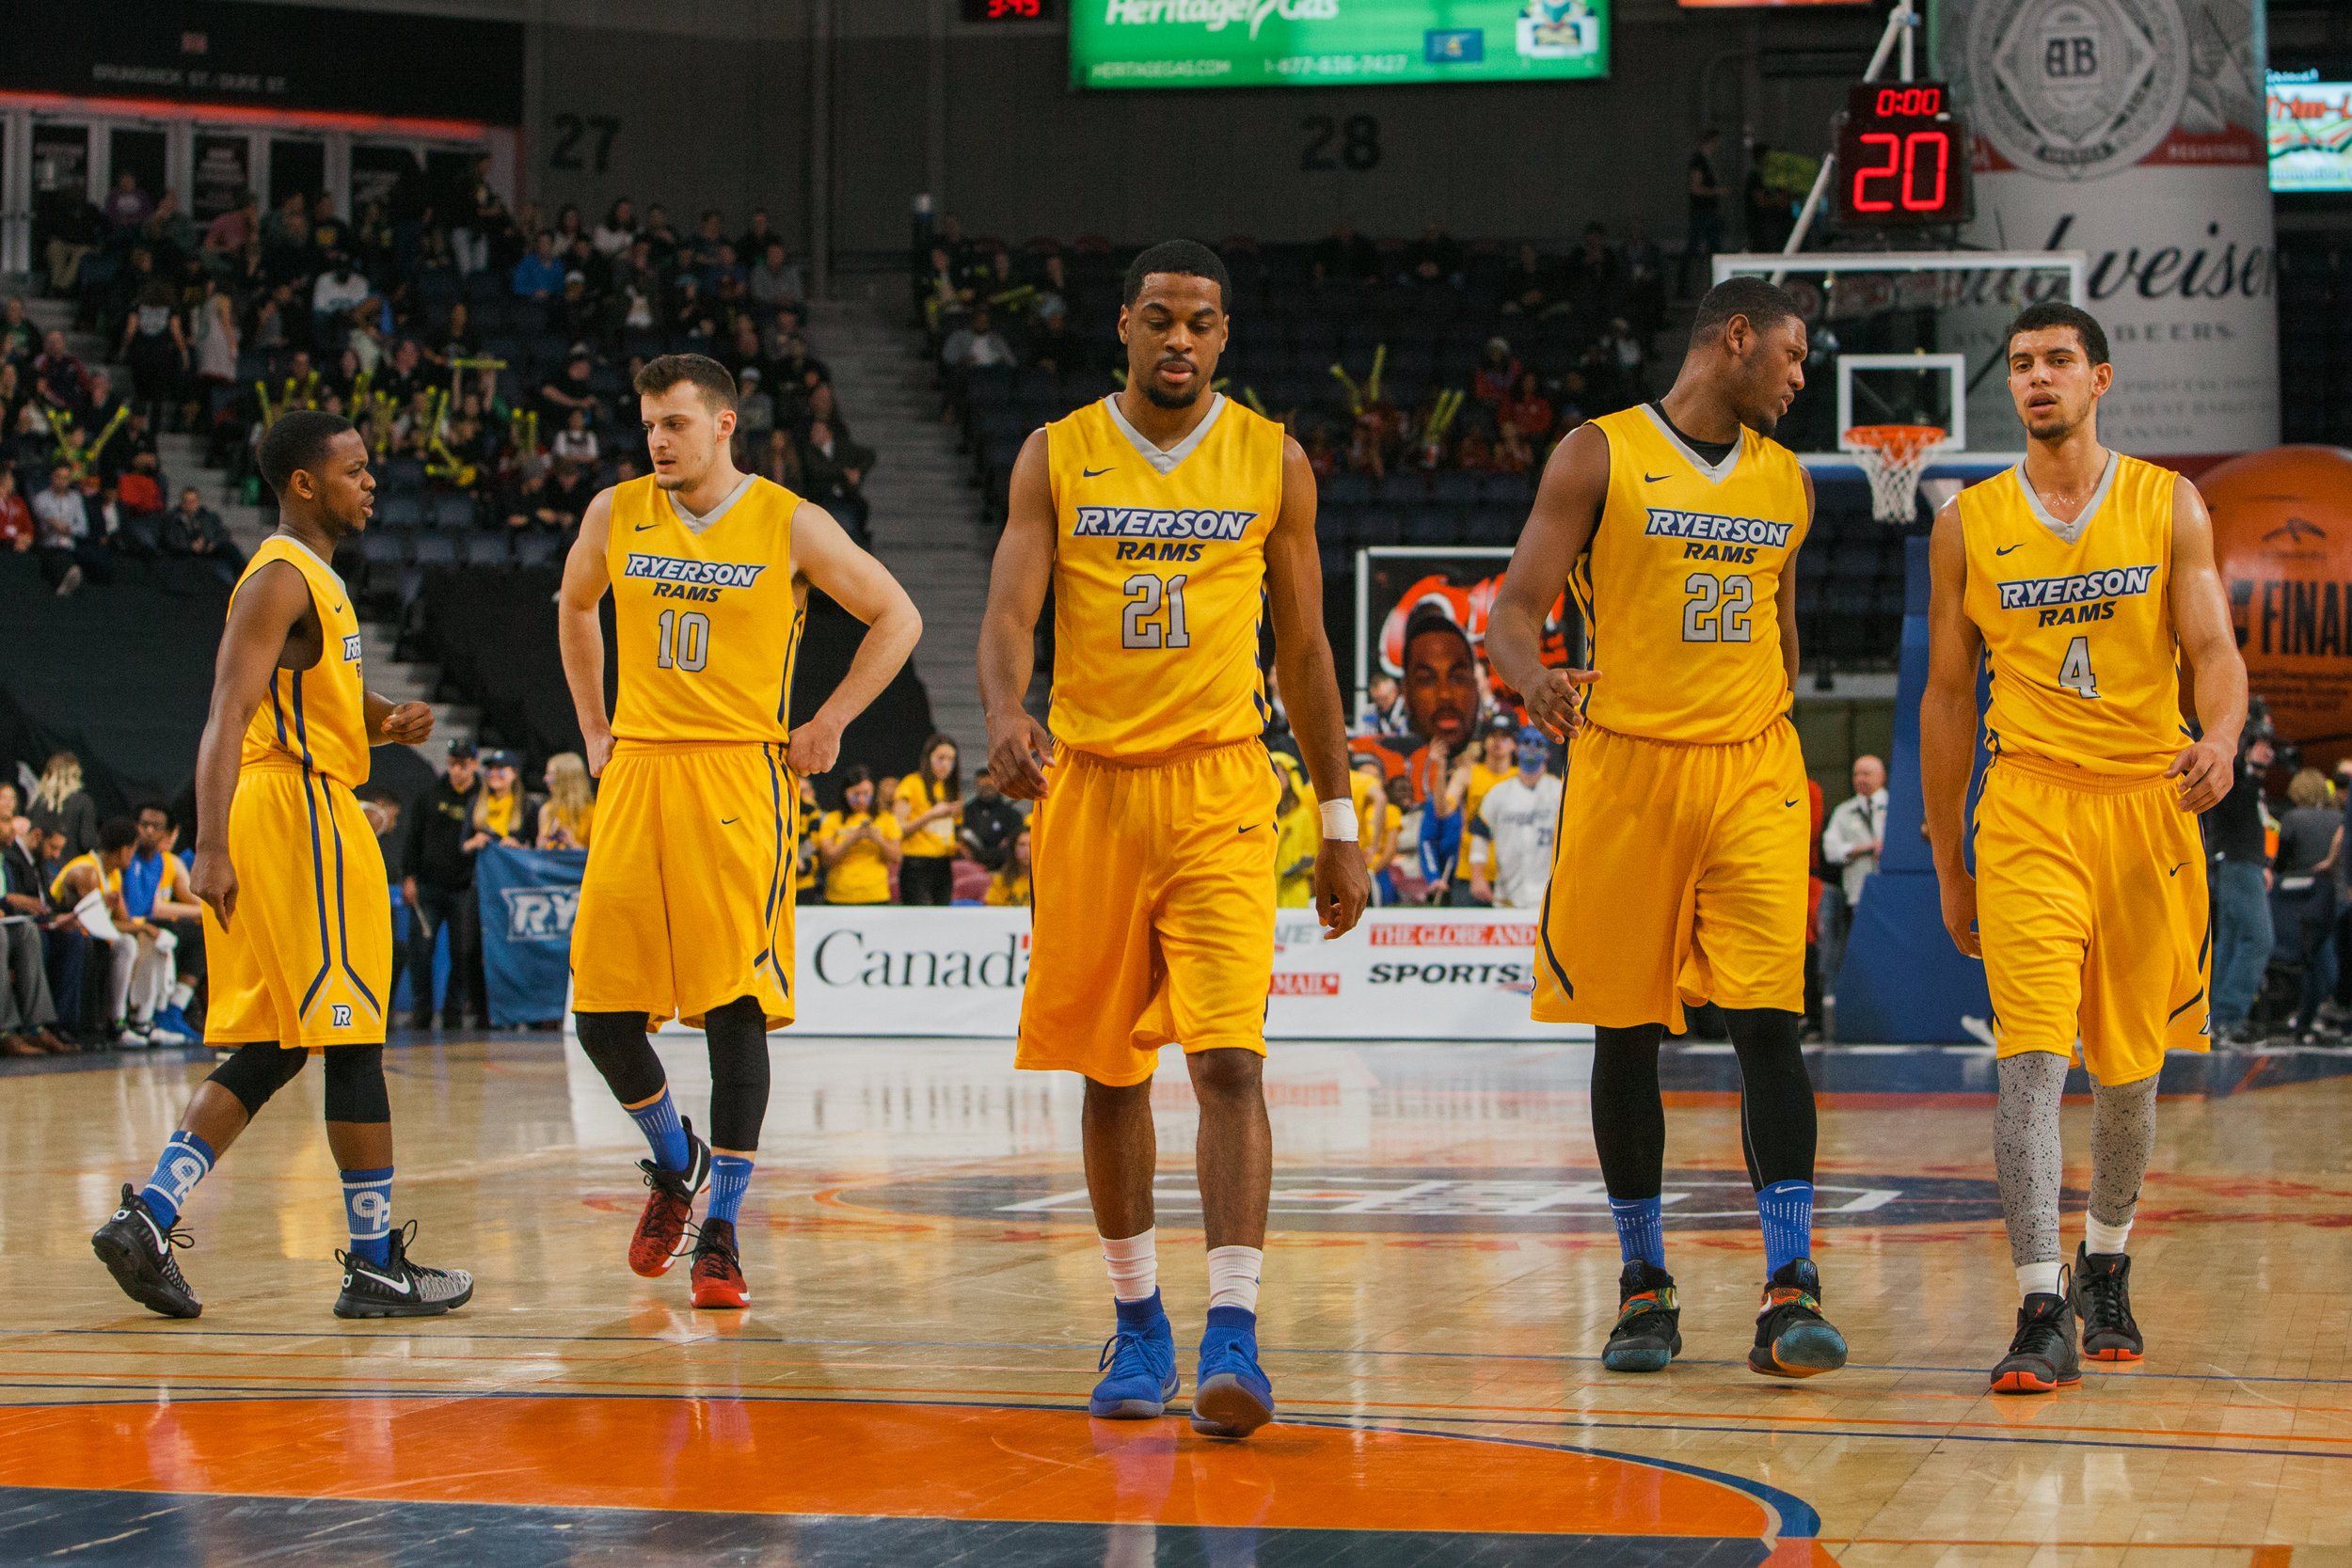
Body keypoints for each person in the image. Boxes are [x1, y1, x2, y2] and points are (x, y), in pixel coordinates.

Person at [977, 239, 1370, 1441]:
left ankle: (1233, 1330)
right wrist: (1003, 709)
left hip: (1219, 788)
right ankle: (1137, 1318)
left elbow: (1305, 652)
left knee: (1229, 1062)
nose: (1179, 339)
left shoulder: (1272, 457)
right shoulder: (1056, 452)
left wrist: (1338, 817)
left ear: (1224, 335)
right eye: (1159, 318)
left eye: (1200, 321)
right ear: (1124, 326)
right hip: (1091, 788)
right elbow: (1008, 610)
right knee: (1110, 1069)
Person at [1488, 276, 1842, 1380]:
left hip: (1750, 771)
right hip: (1627, 769)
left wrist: (1761, 724)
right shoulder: (1598, 453)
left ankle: (1790, 1285)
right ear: (1736, 337)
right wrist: (1533, 680)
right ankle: (1644, 1284)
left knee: (1768, 1020)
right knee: (1624, 1031)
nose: (1800, 377)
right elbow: (1513, 608)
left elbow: (1783, 632)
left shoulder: (1788, 481)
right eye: (1791, 354)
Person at [1918, 302, 2246, 1394]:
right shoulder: (1967, 521)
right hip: (2026, 806)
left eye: (2058, 360)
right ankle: (2038, 1302)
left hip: (2146, 806)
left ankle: (2105, 1260)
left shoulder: (2167, 501)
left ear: (2098, 377)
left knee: (2127, 1074)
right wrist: (1949, 858)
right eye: (2020, 364)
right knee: (2028, 1060)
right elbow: (1947, 697)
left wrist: (2221, 736)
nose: (2037, 377)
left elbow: (2212, 646)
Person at [89, 409, 471, 1321]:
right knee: (354, 1035)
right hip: (298, 812)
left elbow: (313, 691)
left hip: (290, 805)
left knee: (275, 1041)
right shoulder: (279, 576)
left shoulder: (316, 579)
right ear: (304, 483)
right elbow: (228, 709)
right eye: (355, 469)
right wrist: (210, 844)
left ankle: (150, 1214)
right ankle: (374, 1264)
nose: (370, 482)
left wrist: (384, 720)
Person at [557, 353, 920, 1310]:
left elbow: (897, 615)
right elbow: (576, 605)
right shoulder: (614, 511)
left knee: (734, 1007)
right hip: (638, 768)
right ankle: (673, 1158)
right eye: (648, 424)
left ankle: (720, 1231)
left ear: (724, 424)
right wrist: (593, 725)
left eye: (674, 423)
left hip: (737, 774)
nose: (657, 441)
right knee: (600, 1012)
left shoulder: (788, 520)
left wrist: (831, 719)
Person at [402, 743, 486, 1030]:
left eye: (462, 765)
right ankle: (421, 1011)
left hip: (464, 889)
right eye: (452, 764)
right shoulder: (431, 795)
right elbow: (413, 837)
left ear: (474, 764)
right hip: (428, 886)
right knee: (420, 951)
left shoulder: (483, 798)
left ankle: (453, 1012)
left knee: (462, 954)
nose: (456, 771)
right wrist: (409, 876)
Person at [2203, 734, 2275, 1042]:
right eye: (2263, 745)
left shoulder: (2246, 780)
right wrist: (2253, 769)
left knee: (2231, 942)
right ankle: (2228, 1018)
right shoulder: (2234, 775)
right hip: (2238, 863)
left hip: (2240, 864)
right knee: (2258, 939)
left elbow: (2251, 824)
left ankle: (2216, 1020)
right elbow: (2234, 809)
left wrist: (2263, 864)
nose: (2269, 752)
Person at [0, 784, 70, 1055]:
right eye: (5, 821)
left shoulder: (3, 860)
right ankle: (5, 1031)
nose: (13, 828)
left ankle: (35, 1027)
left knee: (28, 931)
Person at [2274, 768, 2341, 1041]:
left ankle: (2304, 1018)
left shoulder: (2292, 818)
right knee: (2325, 957)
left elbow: (2281, 861)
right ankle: (2312, 1017)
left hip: (2298, 900)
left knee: (2309, 961)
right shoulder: (2339, 818)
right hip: (2333, 897)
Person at [1471, 727, 1562, 909]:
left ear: (1548, 752)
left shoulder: (1559, 791)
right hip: (1507, 896)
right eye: (1527, 743)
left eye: (1539, 744)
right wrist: (1477, 877)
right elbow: (1480, 836)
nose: (1532, 749)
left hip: (1549, 895)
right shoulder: (1498, 793)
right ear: (1517, 749)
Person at [1818, 753, 1888, 987]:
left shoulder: (1896, 807)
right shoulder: (1844, 811)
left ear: (1881, 776)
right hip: (1858, 895)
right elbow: (1831, 850)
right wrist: (1865, 848)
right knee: (1863, 950)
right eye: (1856, 774)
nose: (1860, 779)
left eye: (1866, 774)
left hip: (1893, 890)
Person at [893, 735, 962, 906]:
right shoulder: (911, 783)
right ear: (928, 759)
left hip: (944, 862)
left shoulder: (951, 790)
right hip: (916, 862)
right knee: (919, 917)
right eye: (940, 759)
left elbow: (953, 829)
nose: (945, 765)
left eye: (951, 760)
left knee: (941, 916)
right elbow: (898, 828)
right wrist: (931, 815)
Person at [818, 768, 903, 904]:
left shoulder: (887, 818)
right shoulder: (833, 819)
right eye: (855, 795)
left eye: (867, 794)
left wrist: (877, 838)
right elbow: (826, 859)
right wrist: (851, 838)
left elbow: (897, 857)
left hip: (876, 895)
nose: (861, 800)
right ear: (845, 793)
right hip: (839, 896)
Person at [1677, 128, 1727, 299]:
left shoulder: (1706, 161)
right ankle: (1683, 286)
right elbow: (1695, 188)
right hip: (1702, 212)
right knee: (1695, 248)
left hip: (1709, 212)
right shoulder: (1699, 161)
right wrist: (1717, 192)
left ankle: (1718, 287)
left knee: (1714, 249)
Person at [26, 752, 100, 863]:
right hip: (69, 868)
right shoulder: (83, 802)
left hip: (40, 865)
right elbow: (87, 842)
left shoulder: (39, 801)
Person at [957, 767, 1025, 871]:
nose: (987, 782)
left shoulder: (1012, 815)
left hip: (1003, 871)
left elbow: (1012, 848)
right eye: (983, 777)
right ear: (976, 782)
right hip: (971, 871)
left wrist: (981, 855)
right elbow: (962, 846)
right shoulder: (964, 814)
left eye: (991, 777)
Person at [1272, 756, 1318, 909]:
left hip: (1294, 891)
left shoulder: (1303, 815)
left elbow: (1311, 856)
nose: (1276, 777)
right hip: (1267, 890)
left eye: (1280, 773)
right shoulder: (1263, 815)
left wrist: (1292, 869)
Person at [536, 752, 596, 849]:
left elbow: (598, 853)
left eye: (551, 775)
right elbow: (540, 849)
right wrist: (543, 842)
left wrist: (572, 843)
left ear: (566, 780)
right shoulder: (546, 810)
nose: (545, 779)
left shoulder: (592, 813)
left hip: (579, 859)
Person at [985, 827, 1033, 906]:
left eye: (1031, 845)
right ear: (1013, 848)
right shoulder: (1000, 880)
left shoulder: (1045, 882)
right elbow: (992, 909)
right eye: (1022, 845)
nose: (1026, 850)